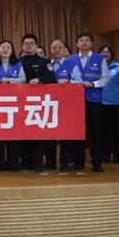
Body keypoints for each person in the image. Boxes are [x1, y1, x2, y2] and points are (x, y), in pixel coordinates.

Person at [66, 33, 109, 172]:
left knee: (96, 132)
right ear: (77, 43)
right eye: (81, 40)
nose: (84, 43)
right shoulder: (71, 59)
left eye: (87, 40)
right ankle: (78, 162)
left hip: (94, 100)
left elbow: (105, 78)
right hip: (76, 101)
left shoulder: (99, 58)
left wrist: (93, 84)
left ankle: (97, 162)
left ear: (92, 43)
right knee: (78, 132)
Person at [19, 33, 56, 172]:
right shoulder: (18, 62)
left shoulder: (44, 62)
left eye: (31, 43)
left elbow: (51, 77)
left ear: (36, 45)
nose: (28, 46)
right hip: (21, 102)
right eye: (26, 43)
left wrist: (39, 80)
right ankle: (24, 161)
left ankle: (37, 161)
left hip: (38, 103)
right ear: (22, 46)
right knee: (23, 132)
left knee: (38, 133)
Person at [0, 40, 26, 172]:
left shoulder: (18, 64)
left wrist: (11, 80)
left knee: (14, 134)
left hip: (15, 103)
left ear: (12, 50)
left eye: (8, 48)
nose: (5, 50)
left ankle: (14, 163)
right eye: (3, 47)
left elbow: (23, 79)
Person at [49, 39, 83, 173]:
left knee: (66, 135)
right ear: (50, 50)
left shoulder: (72, 65)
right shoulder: (47, 65)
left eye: (60, 48)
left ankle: (64, 162)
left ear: (65, 50)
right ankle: (50, 162)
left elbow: (79, 81)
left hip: (67, 105)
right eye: (54, 48)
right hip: (49, 104)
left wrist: (68, 81)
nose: (57, 50)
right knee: (49, 135)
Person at [99, 45, 119, 164]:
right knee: (103, 131)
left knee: (116, 130)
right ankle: (105, 155)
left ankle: (117, 155)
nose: (105, 54)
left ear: (111, 54)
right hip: (100, 103)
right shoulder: (97, 68)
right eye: (103, 52)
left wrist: (116, 92)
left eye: (108, 52)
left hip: (115, 103)